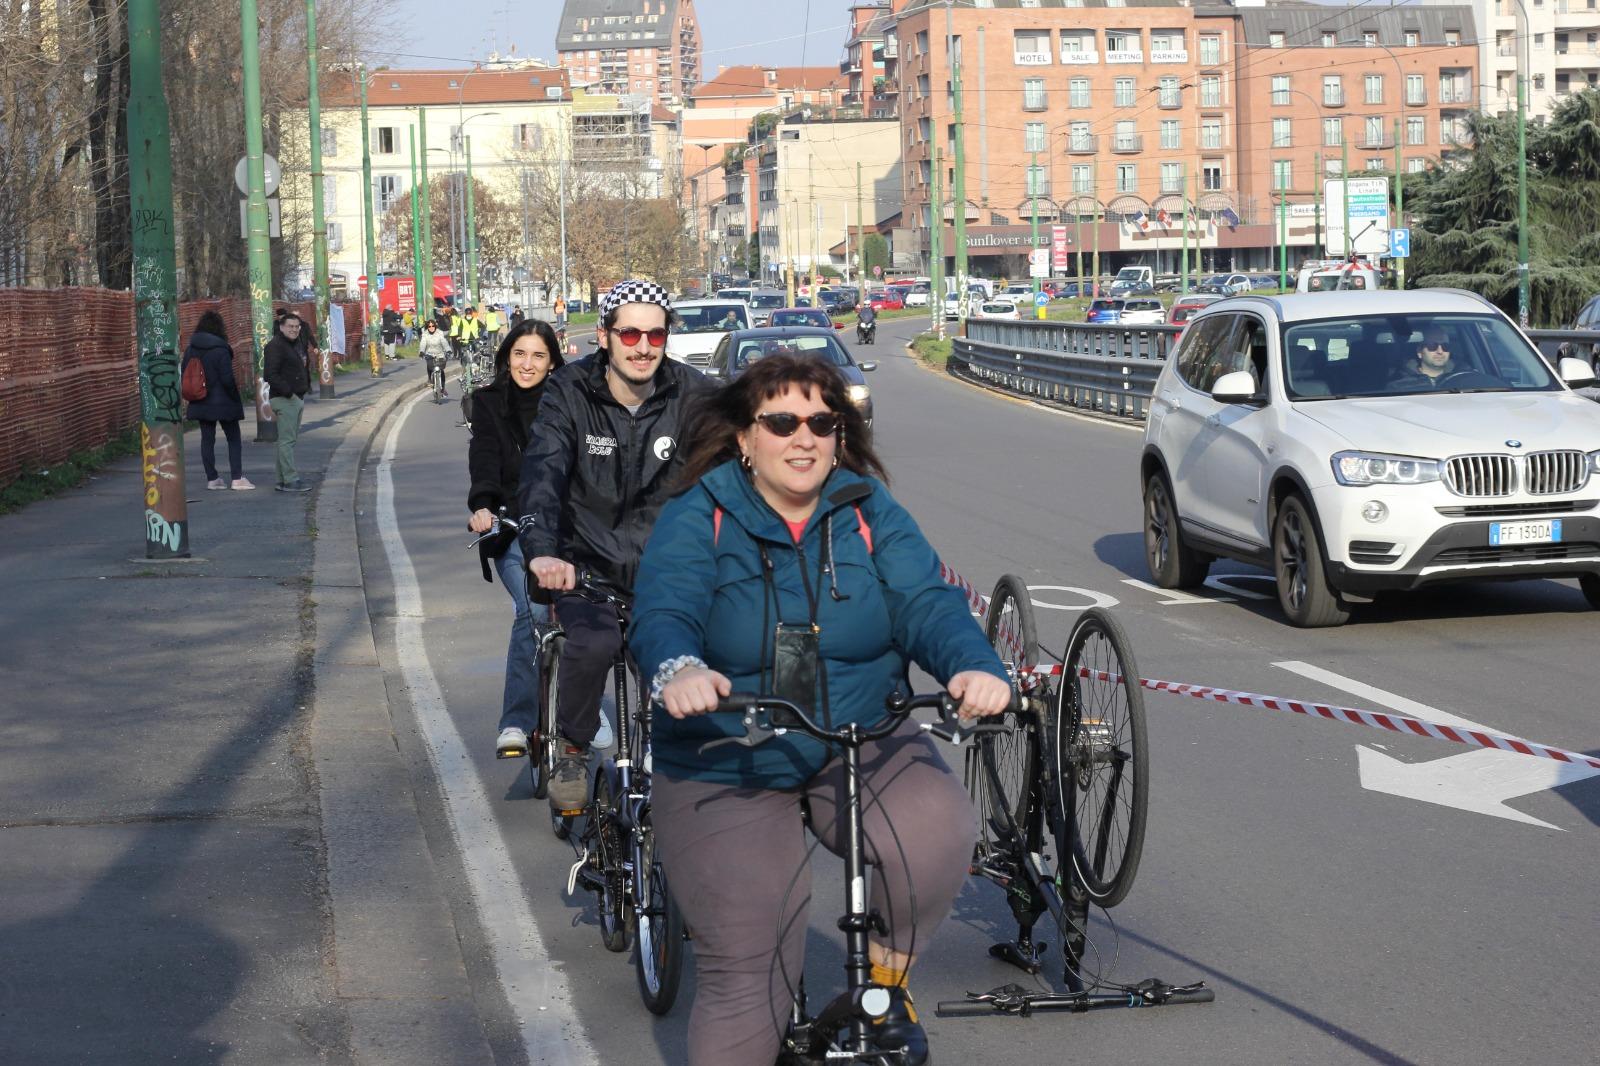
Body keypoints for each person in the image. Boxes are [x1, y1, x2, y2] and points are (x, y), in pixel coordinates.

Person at [629, 353, 1011, 1066]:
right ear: (746, 437)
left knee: (935, 838)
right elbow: (664, 610)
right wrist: (678, 668)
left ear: (840, 434)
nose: (803, 438)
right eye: (781, 421)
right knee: (751, 955)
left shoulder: (867, 511)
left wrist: (973, 666)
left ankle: (881, 988)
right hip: (726, 754)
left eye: (821, 422)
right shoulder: (700, 517)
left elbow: (927, 602)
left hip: (857, 735)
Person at [516, 279, 712, 813]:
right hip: (587, 569)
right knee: (594, 644)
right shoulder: (569, 392)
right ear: (605, 336)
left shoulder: (693, 394)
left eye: (655, 334)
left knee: (678, 666)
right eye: (629, 333)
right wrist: (541, 551)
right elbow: (543, 474)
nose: (643, 346)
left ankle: (669, 761)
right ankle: (575, 749)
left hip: (664, 576)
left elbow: (736, 466)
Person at [467, 320, 566, 755]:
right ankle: (516, 721)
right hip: (511, 528)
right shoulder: (488, 403)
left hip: (566, 529)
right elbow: (483, 456)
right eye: (520, 354)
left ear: (552, 362)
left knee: (590, 615)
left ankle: (584, 707)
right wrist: (482, 506)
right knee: (533, 611)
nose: (528, 364)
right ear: (508, 356)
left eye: (538, 356)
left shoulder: (568, 402)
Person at [183, 310, 253, 491]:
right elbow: (227, 379)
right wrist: (234, 397)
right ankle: (237, 478)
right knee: (233, 438)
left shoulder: (190, 349)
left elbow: (185, 373)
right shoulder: (221, 349)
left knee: (207, 439)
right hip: (223, 402)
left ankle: (212, 479)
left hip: (200, 400)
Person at [263, 313, 312, 492]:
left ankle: (282, 480)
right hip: (285, 399)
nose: (294, 329)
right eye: (290, 326)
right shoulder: (276, 346)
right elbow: (270, 374)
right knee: (287, 442)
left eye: (297, 326)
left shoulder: (292, 344)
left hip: (293, 398)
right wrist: (290, 394)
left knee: (286, 441)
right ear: (282, 327)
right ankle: (290, 480)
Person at [418, 317, 452, 398]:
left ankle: (443, 388)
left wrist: (448, 350)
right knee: (429, 365)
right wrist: (422, 352)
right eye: (429, 326)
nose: (431, 328)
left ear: (435, 326)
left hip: (440, 353)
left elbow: (444, 342)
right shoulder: (425, 334)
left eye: (433, 326)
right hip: (429, 353)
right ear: (427, 327)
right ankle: (429, 379)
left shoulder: (440, 333)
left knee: (441, 369)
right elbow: (423, 343)